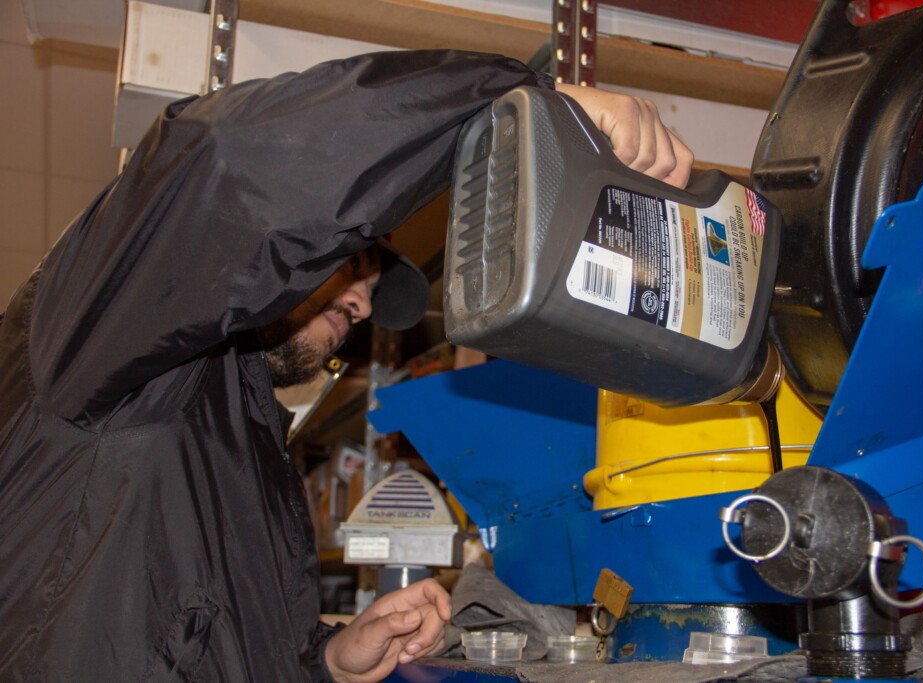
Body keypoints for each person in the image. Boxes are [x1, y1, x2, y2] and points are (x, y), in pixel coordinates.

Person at [0, 50, 692, 682]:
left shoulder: (248, 442)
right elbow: (230, 165)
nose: (361, 304)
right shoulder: (107, 341)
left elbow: (220, 646)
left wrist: (326, 657)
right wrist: (522, 107)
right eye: (353, 264)